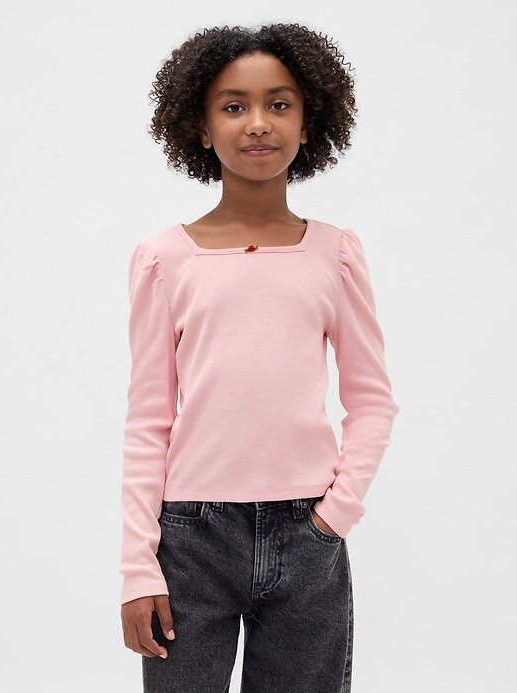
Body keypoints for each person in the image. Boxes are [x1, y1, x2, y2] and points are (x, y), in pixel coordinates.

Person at [119, 22, 400, 693]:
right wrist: (137, 567)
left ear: (308, 123)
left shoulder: (334, 253)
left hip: (308, 533)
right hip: (190, 537)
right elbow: (147, 420)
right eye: (233, 105)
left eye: (278, 104)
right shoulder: (164, 260)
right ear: (201, 126)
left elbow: (372, 400)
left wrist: (334, 515)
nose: (257, 123)